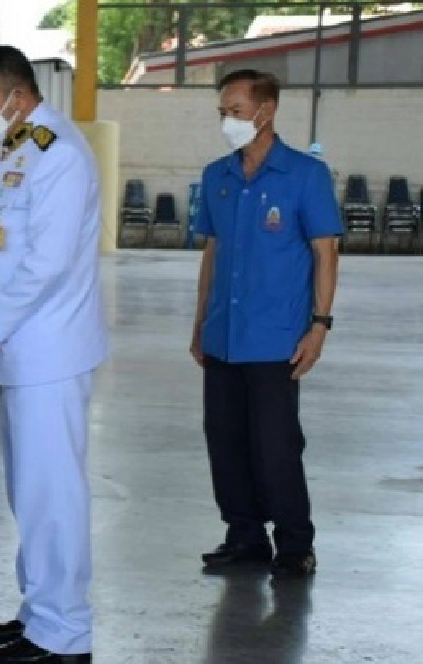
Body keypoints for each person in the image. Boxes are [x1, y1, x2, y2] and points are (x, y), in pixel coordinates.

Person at [0, 46, 108, 664]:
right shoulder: (24, 151)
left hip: (48, 349)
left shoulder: (60, 156)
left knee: (53, 494)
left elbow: (47, 262)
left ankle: (64, 633)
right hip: (26, 350)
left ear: (18, 96)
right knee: (31, 491)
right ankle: (39, 613)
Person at [191, 69, 341, 580]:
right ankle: (245, 536)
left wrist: (319, 324)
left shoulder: (305, 176)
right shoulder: (217, 177)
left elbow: (326, 252)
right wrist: (199, 324)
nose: (227, 121)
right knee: (225, 440)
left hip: (277, 338)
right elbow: (211, 253)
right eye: (222, 112)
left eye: (236, 111)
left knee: (275, 446)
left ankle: (295, 544)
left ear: (267, 109)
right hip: (223, 336)